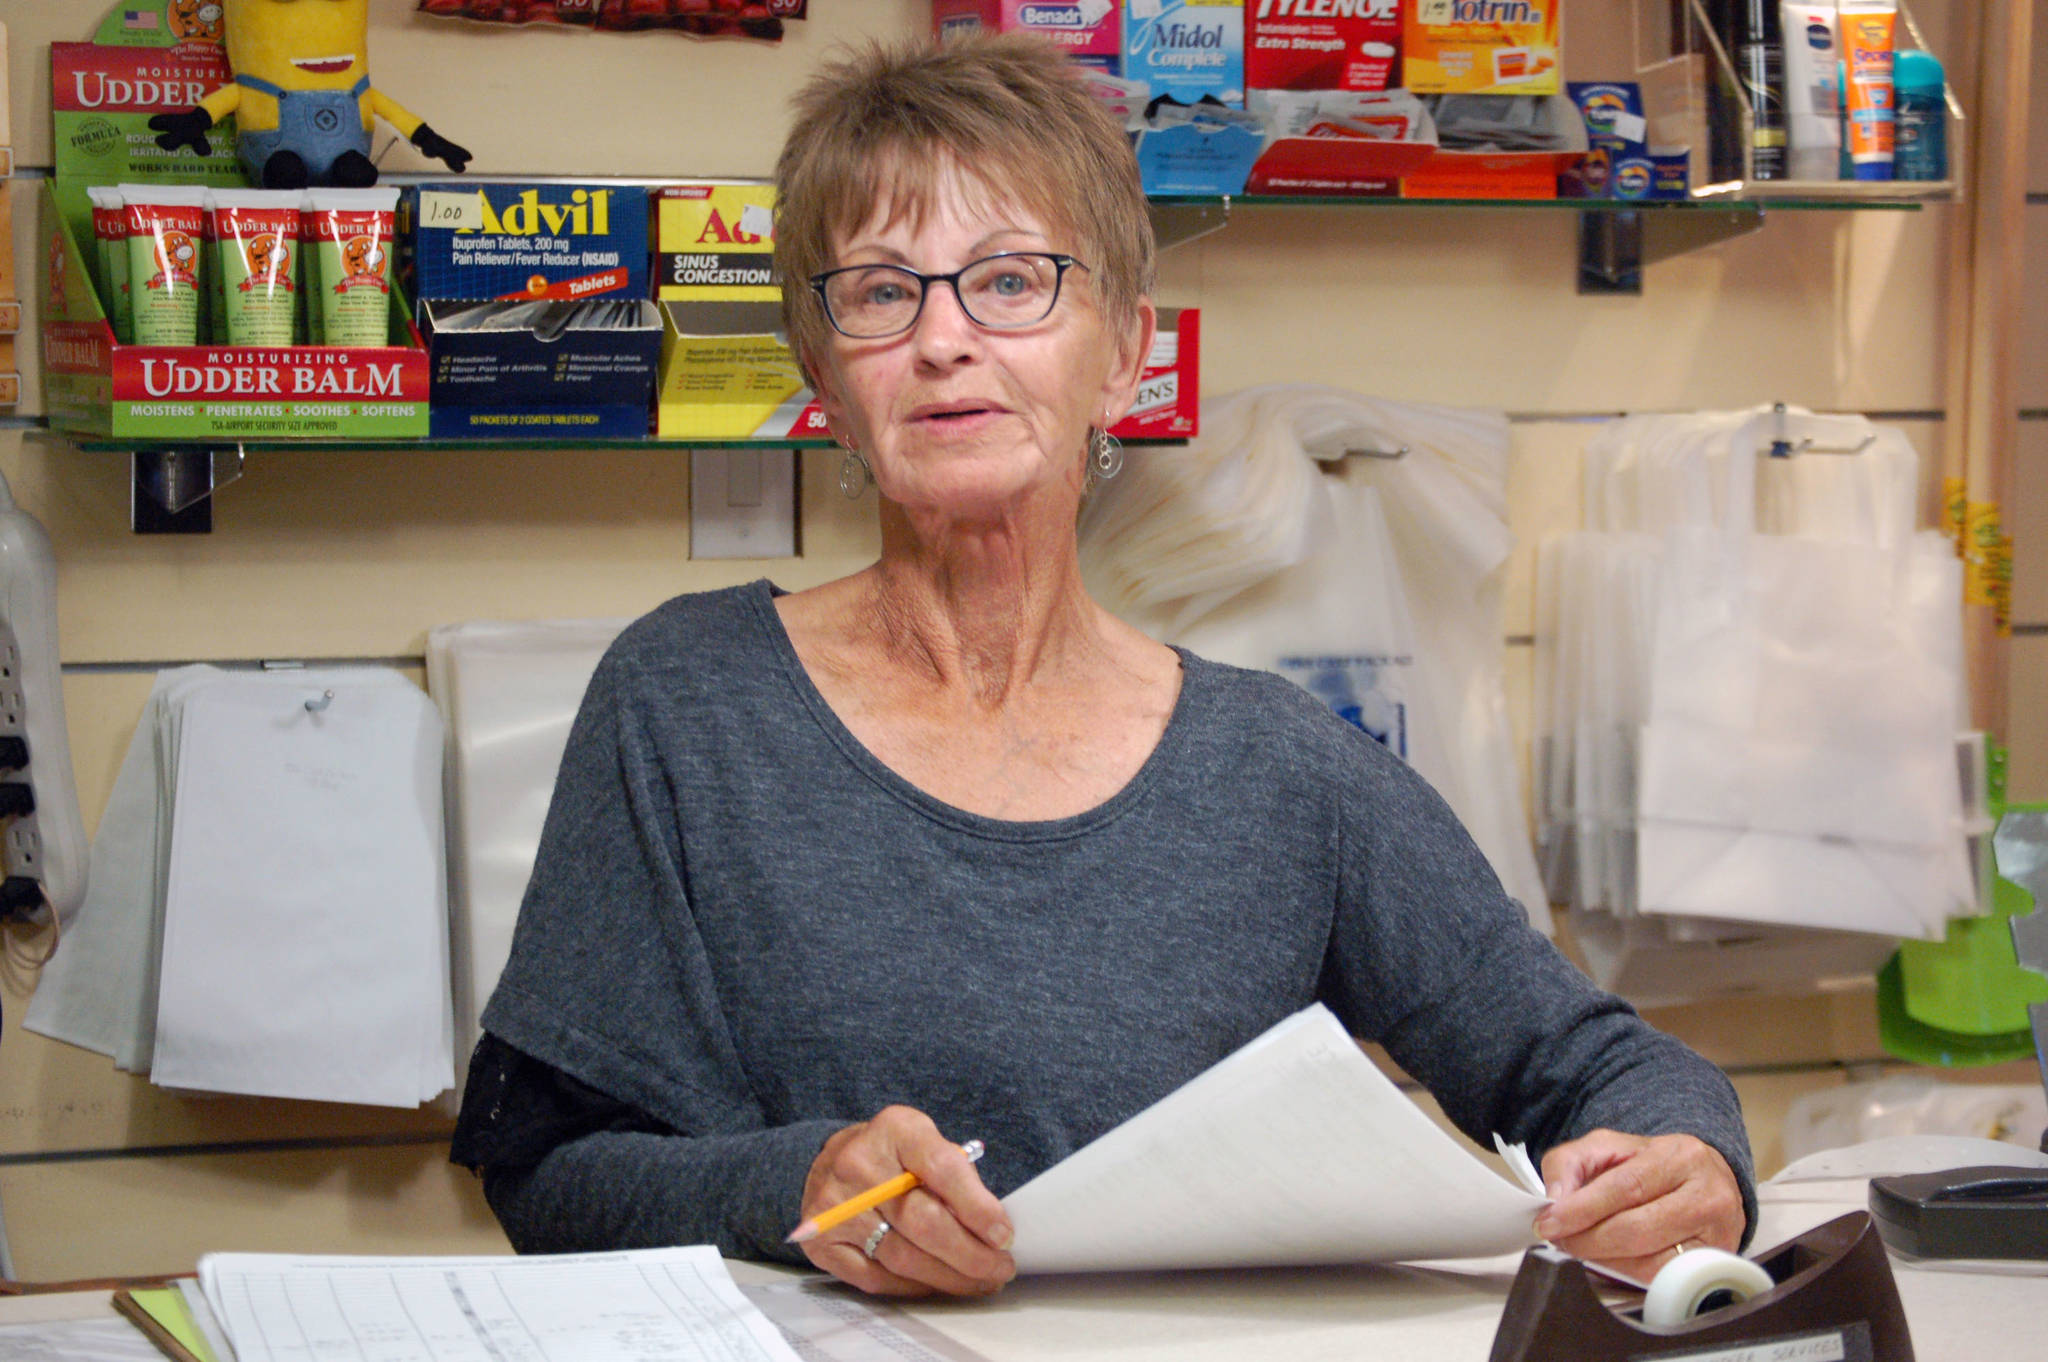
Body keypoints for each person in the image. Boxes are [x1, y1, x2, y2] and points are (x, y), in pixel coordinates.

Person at [450, 32, 1752, 1299]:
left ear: (1123, 354)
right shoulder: (683, 702)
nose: (946, 339)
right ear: (824, 377)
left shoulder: (1281, 769)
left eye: (1011, 281)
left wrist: (1690, 1168)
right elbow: (546, 1175)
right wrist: (802, 1188)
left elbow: (1597, 1064)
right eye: (883, 289)